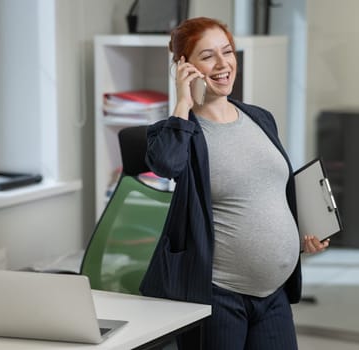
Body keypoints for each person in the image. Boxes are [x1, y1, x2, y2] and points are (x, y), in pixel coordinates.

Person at [139, 17, 329, 350]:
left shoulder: (260, 117)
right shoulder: (179, 131)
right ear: (185, 66)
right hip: (218, 294)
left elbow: (268, 192)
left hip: (274, 294)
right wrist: (183, 101)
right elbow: (168, 164)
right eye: (207, 55)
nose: (223, 63)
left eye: (228, 51)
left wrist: (301, 233)